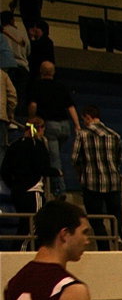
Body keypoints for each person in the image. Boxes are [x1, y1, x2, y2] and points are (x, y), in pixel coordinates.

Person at [72, 106, 122, 245]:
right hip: (113, 182)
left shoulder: (82, 134)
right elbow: (119, 158)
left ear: (88, 117)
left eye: (84, 120)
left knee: (96, 219)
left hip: (91, 182)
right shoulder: (115, 135)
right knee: (116, 214)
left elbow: (75, 158)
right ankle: (118, 237)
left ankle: (104, 247)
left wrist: (81, 173)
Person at [25, 61, 76, 198]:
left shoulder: (37, 86)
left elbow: (33, 105)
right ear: (53, 72)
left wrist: (31, 119)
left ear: (41, 72)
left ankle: (60, 189)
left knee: (54, 158)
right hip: (64, 124)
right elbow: (70, 106)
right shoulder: (61, 86)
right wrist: (76, 124)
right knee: (55, 154)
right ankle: (56, 182)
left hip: (50, 124)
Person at [1, 116, 51, 236]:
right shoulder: (37, 145)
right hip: (32, 190)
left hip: (17, 192)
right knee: (32, 228)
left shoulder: (14, 145)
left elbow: (4, 170)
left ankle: (19, 251)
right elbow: (43, 167)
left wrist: (14, 185)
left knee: (25, 225)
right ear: (39, 128)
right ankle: (23, 252)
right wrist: (56, 172)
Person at [1, 11, 29, 99]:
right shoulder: (22, 34)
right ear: (12, 20)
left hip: (6, 68)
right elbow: (28, 51)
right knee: (19, 98)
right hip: (22, 67)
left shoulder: (2, 34)